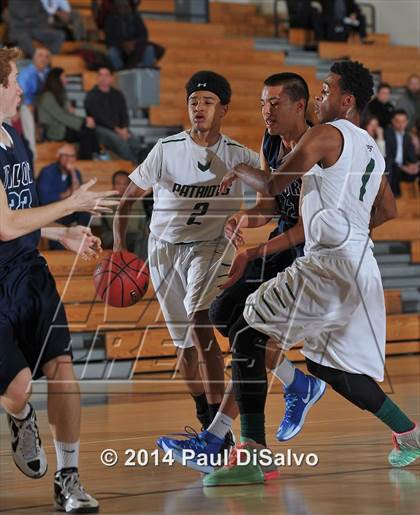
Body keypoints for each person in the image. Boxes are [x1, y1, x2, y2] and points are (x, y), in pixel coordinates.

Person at [202, 60, 419, 485]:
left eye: (325, 90)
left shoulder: (324, 134)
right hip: (361, 265)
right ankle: (409, 434)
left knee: (247, 332)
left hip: (329, 265)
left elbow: (270, 186)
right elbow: (388, 209)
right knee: (330, 368)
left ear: (347, 100)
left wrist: (237, 170)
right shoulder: (372, 147)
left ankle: (252, 456)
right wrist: (351, 232)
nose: (320, 97)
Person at [157, 73, 327, 476]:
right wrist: (245, 217)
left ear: (299, 106)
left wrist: (253, 249)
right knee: (222, 312)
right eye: (262, 103)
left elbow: (306, 227)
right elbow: (270, 204)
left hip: (309, 256)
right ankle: (295, 382)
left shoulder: (319, 148)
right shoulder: (271, 143)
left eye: (274, 104)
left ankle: (221, 438)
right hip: (279, 246)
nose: (266, 111)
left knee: (246, 338)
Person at [0, 47, 117, 512]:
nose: (20, 89)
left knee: (63, 367)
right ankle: (20, 415)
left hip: (27, 272)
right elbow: (4, 225)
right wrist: (69, 206)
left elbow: (18, 220)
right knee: (19, 387)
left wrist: (59, 232)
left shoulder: (13, 137)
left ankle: (69, 476)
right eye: (12, 83)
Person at [113, 70, 260, 441]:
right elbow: (128, 199)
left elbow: (275, 190)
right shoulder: (166, 150)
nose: (199, 108)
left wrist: (247, 218)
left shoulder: (241, 155)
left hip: (210, 248)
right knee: (186, 350)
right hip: (163, 249)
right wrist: (118, 248)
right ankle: (204, 410)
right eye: (194, 102)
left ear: (223, 108)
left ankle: (217, 433)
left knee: (201, 325)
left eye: (208, 102)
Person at [37, 67, 100, 159]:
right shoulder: (47, 96)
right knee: (85, 131)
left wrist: (85, 121)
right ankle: (91, 158)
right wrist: (83, 122)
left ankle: (94, 155)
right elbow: (60, 116)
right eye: (64, 76)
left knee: (89, 129)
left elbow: (70, 112)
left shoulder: (61, 94)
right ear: (56, 79)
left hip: (63, 126)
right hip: (54, 130)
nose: (66, 79)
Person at [37, 144, 91, 249]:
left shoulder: (76, 173)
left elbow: (78, 196)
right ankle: (59, 253)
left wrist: (72, 173)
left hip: (66, 211)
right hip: (50, 212)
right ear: (58, 156)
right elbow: (44, 199)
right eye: (65, 155)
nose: (68, 159)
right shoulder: (47, 172)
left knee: (84, 213)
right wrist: (65, 194)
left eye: (72, 156)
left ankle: (82, 240)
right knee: (57, 227)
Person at [84, 67, 143, 163]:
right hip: (100, 128)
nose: (103, 78)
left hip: (119, 128)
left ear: (111, 78)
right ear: (97, 78)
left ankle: (141, 164)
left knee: (135, 141)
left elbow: (124, 114)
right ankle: (135, 164)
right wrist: (117, 130)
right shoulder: (91, 96)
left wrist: (124, 128)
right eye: (100, 75)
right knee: (119, 142)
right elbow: (98, 117)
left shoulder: (118, 94)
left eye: (106, 75)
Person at [101, 169, 149, 259]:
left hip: (135, 237)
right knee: (139, 238)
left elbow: (143, 222)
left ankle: (141, 268)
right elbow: (115, 225)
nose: (122, 187)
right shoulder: (109, 202)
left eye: (125, 184)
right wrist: (139, 234)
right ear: (113, 185)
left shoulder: (136, 201)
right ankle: (137, 268)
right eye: (118, 183)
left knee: (147, 240)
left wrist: (144, 234)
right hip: (112, 236)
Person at [104, 0, 165, 70]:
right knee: (111, 53)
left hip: (135, 47)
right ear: (116, 7)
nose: (123, 8)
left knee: (149, 49)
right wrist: (122, 45)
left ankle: (146, 73)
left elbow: (144, 35)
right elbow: (109, 39)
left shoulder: (135, 17)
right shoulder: (110, 18)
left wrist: (134, 43)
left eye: (125, 6)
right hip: (118, 48)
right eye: (120, 6)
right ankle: (121, 75)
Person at [17, 46, 51, 158]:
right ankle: (32, 153)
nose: (44, 59)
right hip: (27, 106)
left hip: (45, 108)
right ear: (34, 58)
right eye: (40, 55)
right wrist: (29, 105)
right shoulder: (26, 73)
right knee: (26, 110)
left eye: (46, 56)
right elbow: (21, 94)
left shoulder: (49, 73)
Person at [385, 109, 419, 197]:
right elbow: (388, 156)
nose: (401, 124)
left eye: (403, 121)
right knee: (391, 167)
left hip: (404, 167)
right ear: (392, 121)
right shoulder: (387, 134)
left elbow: (411, 156)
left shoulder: (407, 137)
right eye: (398, 121)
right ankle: (394, 198)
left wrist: (415, 165)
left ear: (407, 122)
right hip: (392, 166)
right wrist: (403, 167)